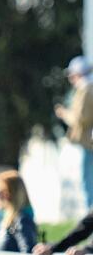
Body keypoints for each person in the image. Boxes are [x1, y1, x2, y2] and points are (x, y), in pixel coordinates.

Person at [54, 55, 93, 209]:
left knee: (87, 180)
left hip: (88, 142)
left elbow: (80, 119)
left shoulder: (86, 89)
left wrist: (64, 113)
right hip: (87, 141)